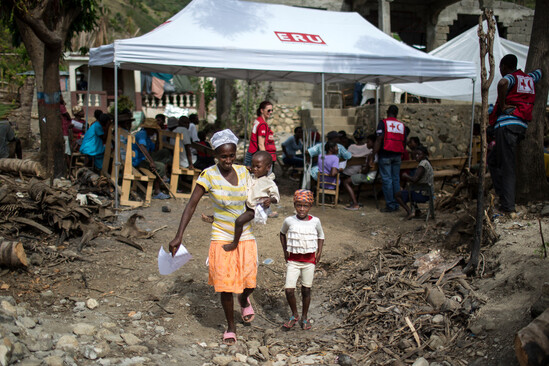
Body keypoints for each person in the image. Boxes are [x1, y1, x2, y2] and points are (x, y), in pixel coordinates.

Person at [169, 129, 269, 346]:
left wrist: (267, 200)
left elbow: (263, 189)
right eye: (223, 156)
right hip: (221, 236)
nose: (228, 160)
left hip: (245, 234)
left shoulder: (244, 172)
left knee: (249, 281)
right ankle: (231, 327)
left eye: (231, 155)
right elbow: (191, 205)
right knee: (225, 285)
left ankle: (243, 299)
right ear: (216, 155)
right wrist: (179, 235)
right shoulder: (208, 175)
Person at [488, 54, 542, 213]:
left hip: (507, 125)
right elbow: (540, 72)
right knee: (493, 160)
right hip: (520, 125)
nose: (500, 71)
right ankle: (502, 195)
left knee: (507, 166)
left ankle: (508, 206)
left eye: (500, 68)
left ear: (505, 66)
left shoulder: (511, 78)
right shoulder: (530, 78)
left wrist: (503, 104)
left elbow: (503, 82)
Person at [280, 189, 324, 330]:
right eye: (299, 205)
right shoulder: (289, 220)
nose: (302, 209)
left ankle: (304, 317)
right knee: (289, 290)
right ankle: (294, 315)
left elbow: (321, 236)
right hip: (293, 260)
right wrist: (285, 250)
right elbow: (282, 234)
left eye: (305, 206)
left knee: (306, 290)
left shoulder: (315, 221)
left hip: (309, 261)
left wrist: (319, 252)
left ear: (310, 206)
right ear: (294, 205)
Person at [227, 151, 280, 250]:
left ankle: (234, 243)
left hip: (254, 208)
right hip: (243, 203)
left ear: (268, 167)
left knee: (239, 221)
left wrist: (269, 199)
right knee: (228, 209)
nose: (254, 169)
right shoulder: (251, 176)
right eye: (253, 166)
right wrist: (245, 169)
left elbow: (276, 197)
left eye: (258, 167)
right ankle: (215, 218)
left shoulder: (269, 182)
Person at [372, 105, 407, 213]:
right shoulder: (402, 125)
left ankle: (390, 205)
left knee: (387, 180)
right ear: (396, 114)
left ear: (388, 112)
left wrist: (373, 154)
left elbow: (379, 140)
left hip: (385, 155)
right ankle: (397, 203)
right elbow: (404, 141)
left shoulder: (383, 123)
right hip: (397, 155)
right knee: (396, 179)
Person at [132, 119, 172, 199]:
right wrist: (151, 162)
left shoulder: (147, 135)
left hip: (146, 157)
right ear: (149, 129)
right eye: (153, 130)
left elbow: (155, 149)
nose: (154, 132)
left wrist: (157, 135)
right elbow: (142, 147)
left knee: (165, 152)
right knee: (160, 166)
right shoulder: (142, 134)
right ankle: (156, 191)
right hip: (139, 160)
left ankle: (162, 175)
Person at [395, 145, 434, 220]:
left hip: (423, 194)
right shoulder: (427, 163)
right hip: (427, 192)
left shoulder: (422, 165)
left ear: (424, 155)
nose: (417, 156)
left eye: (419, 154)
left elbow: (414, 179)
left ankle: (410, 212)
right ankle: (417, 211)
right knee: (409, 189)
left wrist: (406, 176)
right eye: (416, 154)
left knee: (397, 195)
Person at [342, 134, 378, 210]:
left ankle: (355, 204)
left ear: (373, 143)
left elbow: (365, 171)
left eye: (368, 142)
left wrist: (361, 171)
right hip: (376, 176)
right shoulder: (378, 154)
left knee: (346, 182)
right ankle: (353, 201)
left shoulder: (371, 155)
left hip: (368, 177)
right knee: (353, 178)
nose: (367, 144)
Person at [245, 101, 276, 167]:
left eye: (271, 110)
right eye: (268, 110)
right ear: (262, 110)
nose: (271, 112)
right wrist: (266, 160)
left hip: (251, 153)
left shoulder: (258, 120)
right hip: (255, 155)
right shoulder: (262, 124)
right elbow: (261, 144)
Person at [60, 95, 73, 167]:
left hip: (64, 130)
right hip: (64, 131)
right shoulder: (61, 107)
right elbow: (67, 115)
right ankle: (69, 168)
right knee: (67, 152)